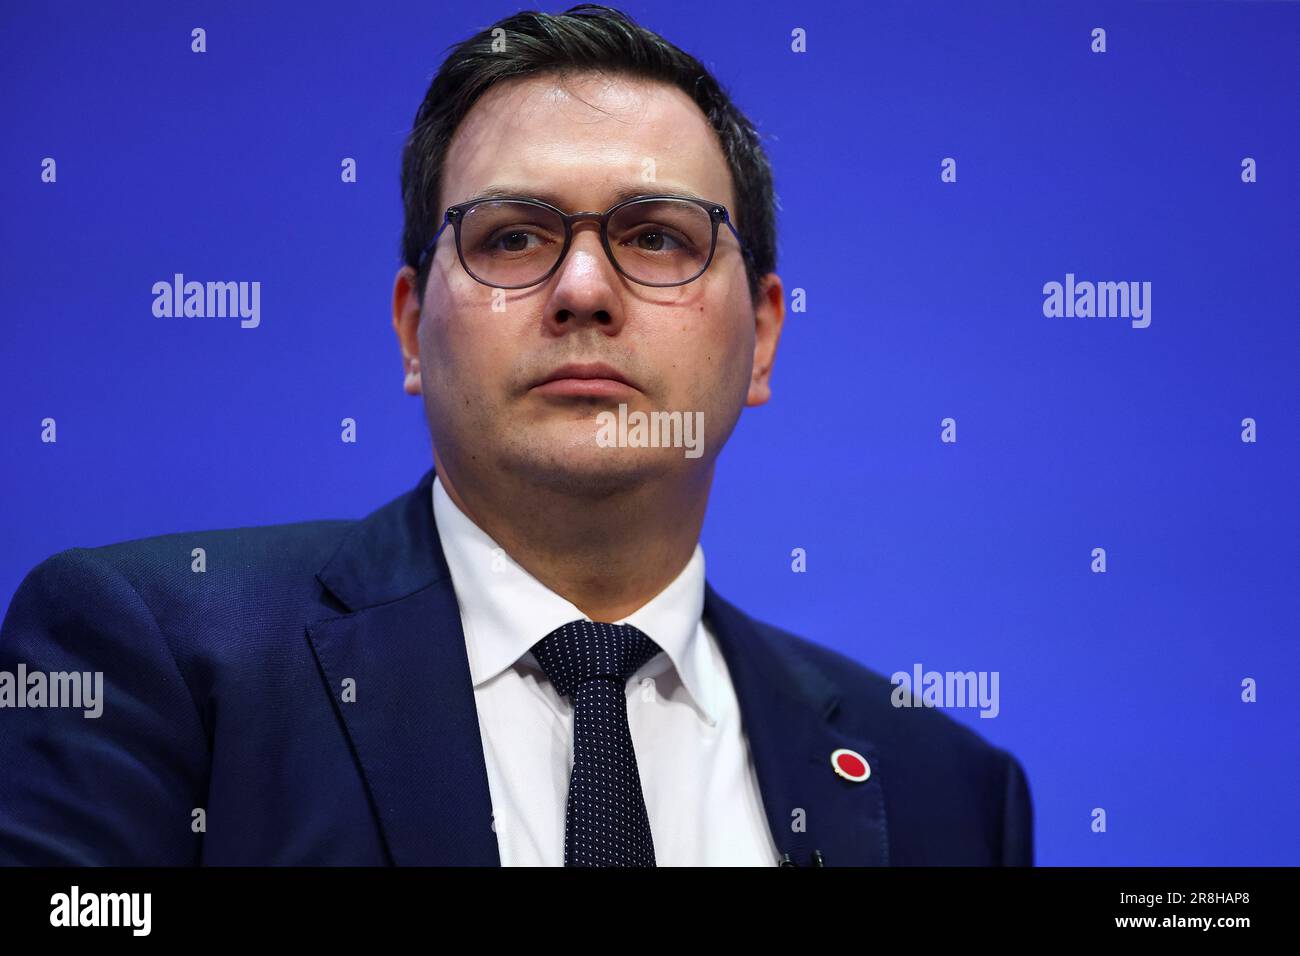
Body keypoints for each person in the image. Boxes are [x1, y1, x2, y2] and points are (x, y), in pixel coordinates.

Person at [0, 4, 1032, 866]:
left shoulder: (943, 788)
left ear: (760, 339)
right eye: (515, 237)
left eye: (658, 237)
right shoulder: (157, 660)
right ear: (411, 328)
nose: (583, 289)